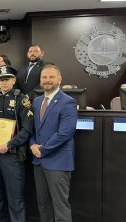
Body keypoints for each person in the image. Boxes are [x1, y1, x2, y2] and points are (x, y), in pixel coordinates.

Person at [0, 65, 34, 222]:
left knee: (15, 197)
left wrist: (9, 144)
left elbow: (27, 130)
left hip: (13, 156)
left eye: (7, 79)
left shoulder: (22, 100)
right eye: (1, 80)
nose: (4, 82)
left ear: (14, 80)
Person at [29, 63, 77, 222]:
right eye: (44, 77)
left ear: (60, 79)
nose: (47, 80)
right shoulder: (36, 102)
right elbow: (33, 130)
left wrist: (42, 149)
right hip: (39, 162)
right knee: (43, 205)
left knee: (60, 206)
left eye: (51, 77)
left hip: (58, 162)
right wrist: (32, 144)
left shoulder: (68, 102)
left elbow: (65, 133)